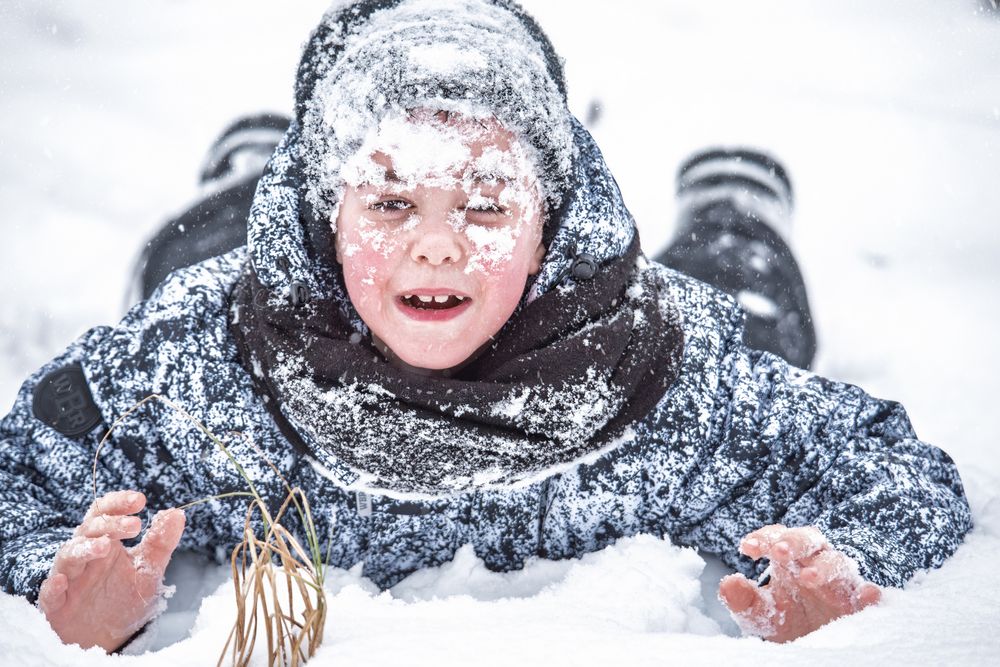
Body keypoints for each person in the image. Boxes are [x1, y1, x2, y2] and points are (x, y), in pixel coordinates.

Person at [0, 0, 971, 653]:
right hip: (250, 284)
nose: (437, 248)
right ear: (320, 215)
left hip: (630, 321)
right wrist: (63, 583)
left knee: (752, 316)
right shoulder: (198, 370)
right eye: (385, 204)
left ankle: (734, 203)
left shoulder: (662, 379)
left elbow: (889, 473)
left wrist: (843, 589)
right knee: (192, 261)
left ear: (551, 214)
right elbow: (22, 469)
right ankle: (243, 170)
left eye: (485, 202)